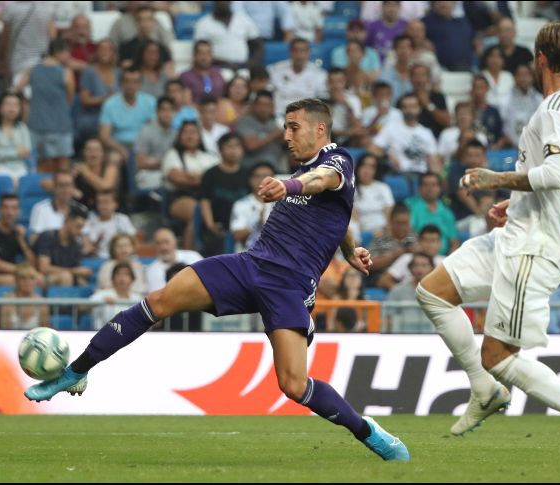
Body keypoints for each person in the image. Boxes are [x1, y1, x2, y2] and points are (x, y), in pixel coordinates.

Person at [24, 98, 410, 463]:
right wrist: (349, 247)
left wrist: (289, 186)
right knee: (158, 301)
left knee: (293, 386)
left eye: (294, 128)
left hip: (288, 286)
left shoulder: (336, 161)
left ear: (320, 128)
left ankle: (367, 431)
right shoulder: (306, 171)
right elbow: (337, 210)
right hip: (249, 265)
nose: (287, 136)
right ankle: (76, 371)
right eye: (285, 128)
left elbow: (323, 181)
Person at [414, 21, 560, 471]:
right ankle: (483, 391)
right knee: (432, 291)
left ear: (540, 59)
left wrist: (495, 178)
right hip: (516, 234)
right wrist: (519, 198)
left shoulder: (556, 110)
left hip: (533, 248)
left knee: (498, 357)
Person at [162, 121, 220, 250]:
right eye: (185, 133)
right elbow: (175, 177)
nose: (189, 136)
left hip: (208, 197)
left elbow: (218, 178)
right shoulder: (173, 155)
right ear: (179, 136)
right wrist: (204, 177)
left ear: (200, 136)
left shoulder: (210, 157)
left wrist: (190, 175)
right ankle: (189, 254)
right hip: (179, 197)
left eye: (193, 132)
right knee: (196, 211)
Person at [21, 38, 75, 173]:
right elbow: (70, 98)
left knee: (37, 164)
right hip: (60, 125)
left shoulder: (32, 70)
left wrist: (28, 101)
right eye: (67, 52)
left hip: (36, 124)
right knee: (62, 164)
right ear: (58, 52)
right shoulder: (66, 73)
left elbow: (17, 88)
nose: (69, 56)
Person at [199, 133, 248, 256]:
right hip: (218, 229)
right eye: (229, 146)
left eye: (237, 146)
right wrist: (211, 225)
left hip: (244, 229)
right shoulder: (210, 174)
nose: (233, 150)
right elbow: (204, 201)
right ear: (220, 150)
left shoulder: (248, 174)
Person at [0, 194, 36, 287]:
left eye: (14, 208)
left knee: (39, 279)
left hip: (14, 275)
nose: (10, 212)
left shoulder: (19, 232)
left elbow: (33, 264)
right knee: (24, 281)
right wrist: (23, 271)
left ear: (19, 211)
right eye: (6, 207)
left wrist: (22, 241)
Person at [34, 205, 92, 287]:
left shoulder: (76, 245)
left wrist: (81, 273)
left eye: (82, 228)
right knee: (65, 276)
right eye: (78, 226)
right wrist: (74, 271)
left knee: (83, 283)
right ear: (68, 221)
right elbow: (44, 268)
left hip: (66, 276)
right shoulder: (48, 236)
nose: (80, 231)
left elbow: (76, 270)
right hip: (40, 278)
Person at [0, 92, 31, 184]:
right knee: (7, 182)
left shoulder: (22, 128)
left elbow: (27, 151)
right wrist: (16, 152)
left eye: (15, 105)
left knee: (26, 182)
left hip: (19, 168)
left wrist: (0, 150)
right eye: (8, 104)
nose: (12, 108)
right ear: (0, 108)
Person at [378, 225, 444, 290]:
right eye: (425, 240)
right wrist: (402, 294)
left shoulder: (446, 262)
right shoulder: (407, 258)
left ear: (440, 243)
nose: (429, 245)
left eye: (433, 241)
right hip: (407, 299)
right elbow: (384, 281)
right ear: (419, 242)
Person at [133, 95, 176, 193]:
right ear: (157, 112)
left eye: (170, 110)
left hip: (167, 173)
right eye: (164, 110)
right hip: (147, 174)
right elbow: (139, 162)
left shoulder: (175, 133)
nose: (167, 114)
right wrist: (165, 163)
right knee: (172, 182)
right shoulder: (146, 131)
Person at [230, 162, 276, 252]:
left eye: (267, 176)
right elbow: (237, 235)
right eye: (258, 176)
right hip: (248, 255)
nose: (262, 180)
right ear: (250, 179)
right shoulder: (241, 204)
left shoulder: (283, 203)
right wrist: (257, 222)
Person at [387, 252, 435, 333]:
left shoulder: (440, 291)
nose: (420, 269)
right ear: (410, 268)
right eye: (416, 265)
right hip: (404, 336)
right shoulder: (398, 290)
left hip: (432, 337)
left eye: (424, 265)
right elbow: (388, 317)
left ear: (432, 268)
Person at [83, 190, 137, 260]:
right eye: (100, 203)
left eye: (106, 202)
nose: (103, 206)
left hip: (121, 259)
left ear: (115, 204)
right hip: (98, 260)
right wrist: (97, 243)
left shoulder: (122, 219)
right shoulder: (89, 223)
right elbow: (87, 250)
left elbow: (134, 243)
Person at [90, 262, 143, 330]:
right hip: (104, 335)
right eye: (118, 274)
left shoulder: (137, 298)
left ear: (132, 279)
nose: (122, 277)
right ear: (113, 278)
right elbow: (83, 307)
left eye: (126, 274)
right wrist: (102, 301)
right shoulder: (102, 294)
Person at [73, 138, 120, 211]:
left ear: (103, 153)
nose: (93, 154)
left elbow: (105, 187)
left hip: (107, 212)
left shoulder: (110, 168)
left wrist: (85, 172)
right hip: (82, 211)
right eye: (89, 150)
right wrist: (72, 190)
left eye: (97, 150)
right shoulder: (77, 168)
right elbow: (58, 182)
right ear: (83, 152)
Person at [353, 154, 395, 234]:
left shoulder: (383, 187)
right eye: (364, 166)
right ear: (358, 168)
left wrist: (383, 231)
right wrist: (369, 234)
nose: (367, 170)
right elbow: (354, 219)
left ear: (376, 170)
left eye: (371, 167)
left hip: (383, 232)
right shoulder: (351, 189)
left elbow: (389, 215)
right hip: (363, 233)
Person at [0, 263, 48, 330]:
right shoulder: (7, 300)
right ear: (16, 280)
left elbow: (45, 331)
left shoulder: (42, 303)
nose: (28, 282)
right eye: (23, 278)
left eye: (32, 278)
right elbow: (4, 330)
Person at [180, 40, 225, 105]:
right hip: (195, 113)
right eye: (201, 53)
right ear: (194, 55)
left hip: (218, 112)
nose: (204, 57)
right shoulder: (186, 76)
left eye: (208, 53)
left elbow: (223, 98)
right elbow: (187, 103)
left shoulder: (218, 74)